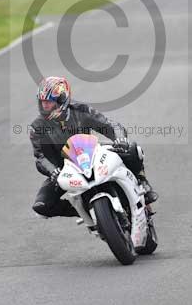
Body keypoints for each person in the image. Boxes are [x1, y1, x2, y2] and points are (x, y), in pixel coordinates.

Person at [30, 76, 158, 218]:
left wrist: (119, 138)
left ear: (62, 100)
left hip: (92, 155)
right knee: (41, 206)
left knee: (132, 149)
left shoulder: (81, 111)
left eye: (49, 102)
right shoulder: (37, 127)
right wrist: (53, 171)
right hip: (64, 170)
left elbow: (110, 126)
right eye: (42, 102)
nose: (45, 106)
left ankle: (143, 184)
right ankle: (82, 210)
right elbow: (40, 157)